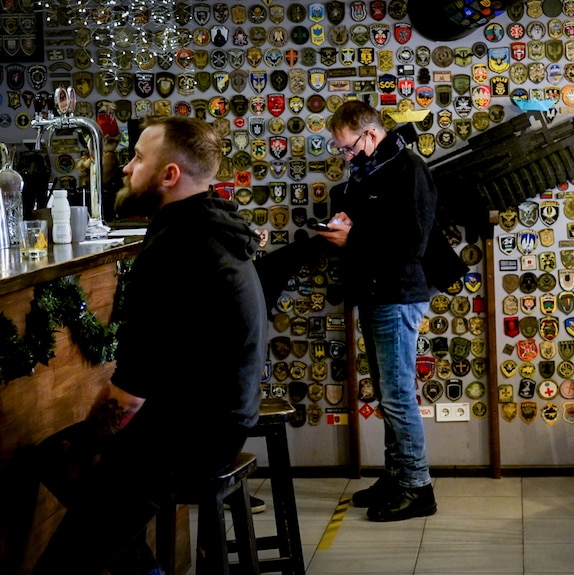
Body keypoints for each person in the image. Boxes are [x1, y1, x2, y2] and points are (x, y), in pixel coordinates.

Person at [33, 117, 268, 575]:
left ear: (169, 175)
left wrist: (86, 446)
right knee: (73, 473)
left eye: (139, 158)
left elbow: (132, 389)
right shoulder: (213, 226)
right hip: (220, 421)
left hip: (189, 436)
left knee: (60, 533)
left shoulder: (176, 249)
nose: (125, 168)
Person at [317, 100, 438, 522]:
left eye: (348, 147)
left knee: (399, 395)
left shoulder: (409, 169)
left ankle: (417, 486)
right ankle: (396, 475)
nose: (346, 156)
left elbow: (412, 243)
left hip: (397, 293)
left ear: (370, 134)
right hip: (373, 292)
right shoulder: (367, 170)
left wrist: (354, 238)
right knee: (389, 394)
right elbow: (373, 224)